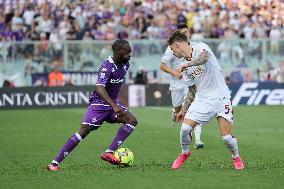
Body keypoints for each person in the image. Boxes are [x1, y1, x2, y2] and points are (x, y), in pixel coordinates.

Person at [47, 39, 138, 171]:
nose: (130, 55)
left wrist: (114, 105)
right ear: (117, 51)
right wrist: (114, 106)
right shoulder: (107, 66)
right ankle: (54, 163)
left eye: (130, 51)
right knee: (84, 131)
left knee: (131, 120)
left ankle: (109, 152)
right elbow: (99, 88)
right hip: (99, 104)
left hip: (112, 105)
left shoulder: (125, 64)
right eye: (127, 52)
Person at [168, 31, 244, 170]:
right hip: (202, 99)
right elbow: (192, 89)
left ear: (177, 45)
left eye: (172, 49)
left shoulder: (201, 47)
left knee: (226, 138)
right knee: (184, 129)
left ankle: (236, 157)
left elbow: (204, 58)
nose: (173, 53)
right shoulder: (183, 65)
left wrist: (188, 64)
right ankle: (185, 153)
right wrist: (183, 110)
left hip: (221, 97)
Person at [160, 23, 204, 149]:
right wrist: (175, 73)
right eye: (182, 33)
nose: (185, 34)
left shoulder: (194, 47)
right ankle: (175, 111)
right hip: (176, 85)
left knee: (193, 110)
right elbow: (162, 66)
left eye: (186, 32)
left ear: (189, 32)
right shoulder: (171, 49)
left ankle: (198, 140)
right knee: (179, 112)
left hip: (189, 84)